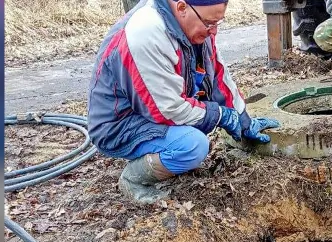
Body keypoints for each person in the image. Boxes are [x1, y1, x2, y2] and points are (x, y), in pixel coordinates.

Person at [87, 0, 279, 204]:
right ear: (181, 8)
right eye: (209, 23)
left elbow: (218, 75)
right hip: (119, 124)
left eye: (217, 23)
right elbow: (168, 109)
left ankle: (164, 153)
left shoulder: (195, 25)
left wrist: (242, 117)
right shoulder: (145, 33)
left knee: (196, 130)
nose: (213, 32)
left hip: (151, 109)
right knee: (192, 145)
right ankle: (133, 179)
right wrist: (220, 115)